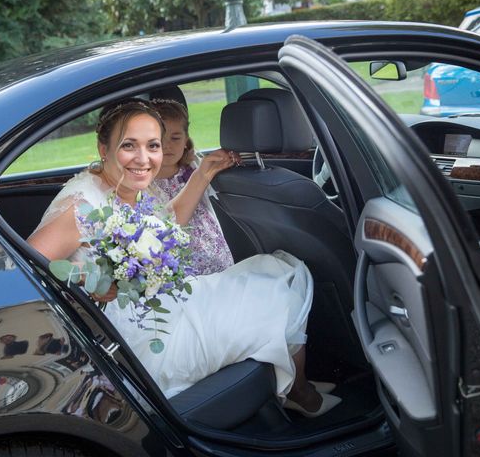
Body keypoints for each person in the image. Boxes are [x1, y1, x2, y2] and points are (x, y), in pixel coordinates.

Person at [27, 99, 340, 417]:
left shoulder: (128, 185)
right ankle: (299, 390)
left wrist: (203, 174)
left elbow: (165, 223)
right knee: (274, 291)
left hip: (166, 304)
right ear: (103, 148)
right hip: (141, 340)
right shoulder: (83, 207)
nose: (144, 158)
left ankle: (296, 385)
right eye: (128, 146)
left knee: (280, 275)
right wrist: (92, 276)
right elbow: (25, 267)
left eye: (153, 145)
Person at [151, 99, 234, 275]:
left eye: (175, 138)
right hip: (178, 270)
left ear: (186, 140)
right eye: (158, 139)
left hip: (216, 256)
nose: (167, 145)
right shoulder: (142, 184)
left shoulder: (194, 166)